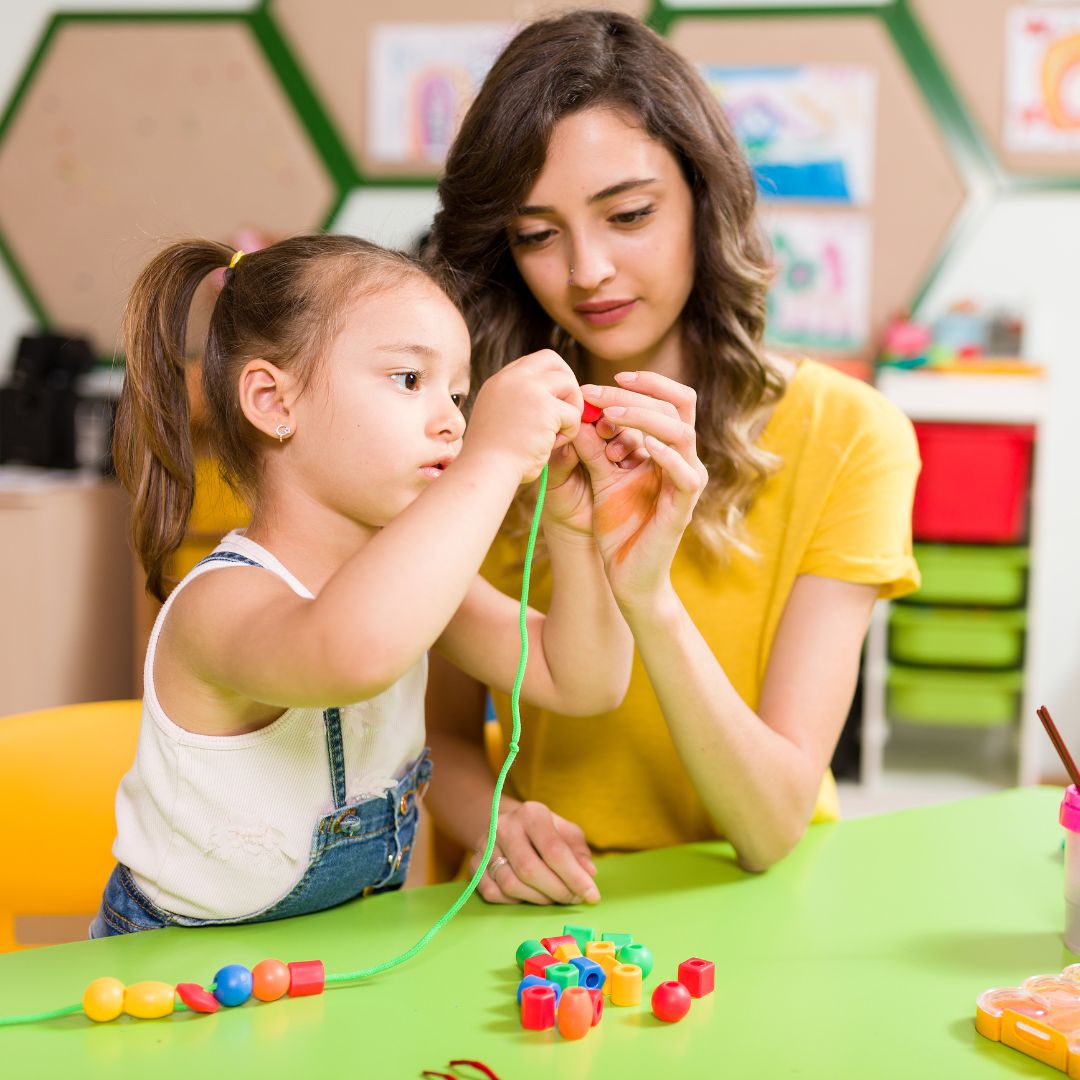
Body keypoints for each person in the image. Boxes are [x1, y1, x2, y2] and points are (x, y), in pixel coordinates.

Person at [424, 9, 921, 903]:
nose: (588, 271)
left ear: (706, 195)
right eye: (538, 235)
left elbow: (771, 827)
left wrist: (645, 594)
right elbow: (441, 740)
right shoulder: (483, 435)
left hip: (758, 905)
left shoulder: (852, 436)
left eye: (629, 214)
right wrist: (491, 819)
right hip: (547, 912)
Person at [90, 233, 643, 936]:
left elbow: (584, 679)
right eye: (410, 381)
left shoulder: (410, 584)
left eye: (461, 394)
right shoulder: (220, 605)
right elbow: (350, 652)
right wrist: (494, 455)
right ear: (271, 401)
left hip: (334, 960)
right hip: (175, 983)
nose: (453, 421)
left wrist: (574, 527)